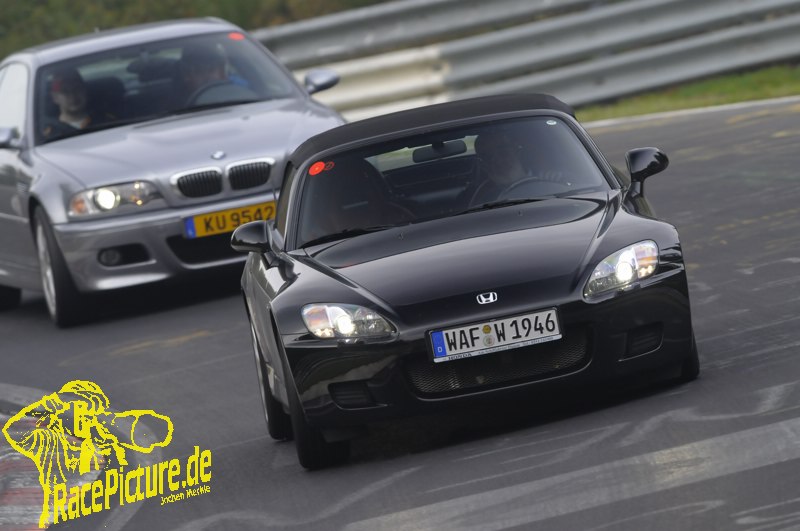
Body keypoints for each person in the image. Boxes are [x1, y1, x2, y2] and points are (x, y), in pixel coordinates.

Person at [465, 130, 533, 206]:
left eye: (503, 151)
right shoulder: (483, 195)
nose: (497, 160)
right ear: (483, 166)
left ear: (517, 151)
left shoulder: (543, 177)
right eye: (487, 156)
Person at [42, 68, 110, 139]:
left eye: (76, 89)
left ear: (84, 90)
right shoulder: (49, 135)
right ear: (55, 97)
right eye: (65, 91)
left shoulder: (106, 121)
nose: (72, 96)